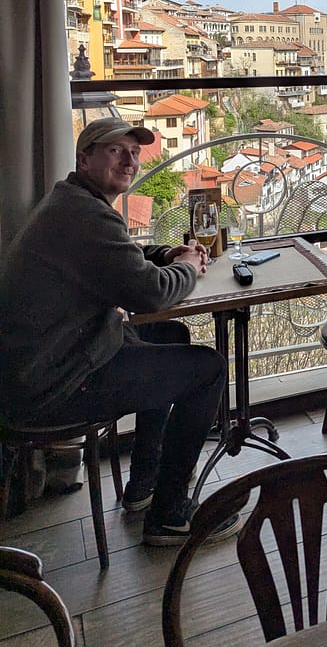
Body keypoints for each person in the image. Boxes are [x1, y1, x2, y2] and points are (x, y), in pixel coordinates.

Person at [0, 118, 239, 546]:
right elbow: (149, 293)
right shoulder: (82, 215)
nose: (129, 160)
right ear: (84, 157)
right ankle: (170, 515)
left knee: (171, 337)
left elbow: (120, 257)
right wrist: (186, 266)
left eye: (134, 152)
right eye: (115, 150)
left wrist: (167, 252)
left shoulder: (72, 202)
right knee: (208, 369)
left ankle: (143, 485)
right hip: (54, 382)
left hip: (56, 358)